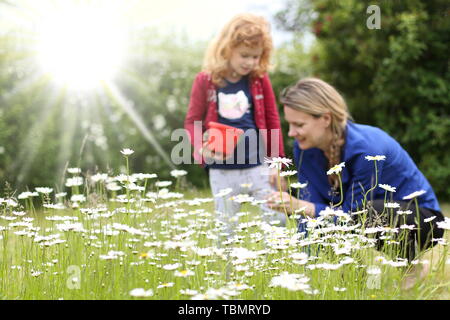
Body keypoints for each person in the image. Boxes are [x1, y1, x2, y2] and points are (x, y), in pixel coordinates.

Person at [267, 77, 445, 288]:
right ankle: (355, 279)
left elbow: (350, 216)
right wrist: (306, 269)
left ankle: (411, 267)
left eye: (299, 124)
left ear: (325, 118)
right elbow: (312, 209)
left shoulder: (367, 149)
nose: (291, 133)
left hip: (420, 219)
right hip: (363, 215)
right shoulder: (304, 147)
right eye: (289, 124)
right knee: (311, 211)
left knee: (369, 213)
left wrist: (303, 207)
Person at [184, 13, 286, 236]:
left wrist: (276, 163)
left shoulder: (259, 79)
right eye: (244, 55)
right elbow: (192, 121)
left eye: (256, 57)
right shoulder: (205, 80)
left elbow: (272, 120)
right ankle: (225, 270)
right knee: (226, 228)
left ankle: (273, 268)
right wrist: (201, 149)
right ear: (227, 48)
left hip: (257, 166)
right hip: (222, 170)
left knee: (277, 219)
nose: (250, 62)